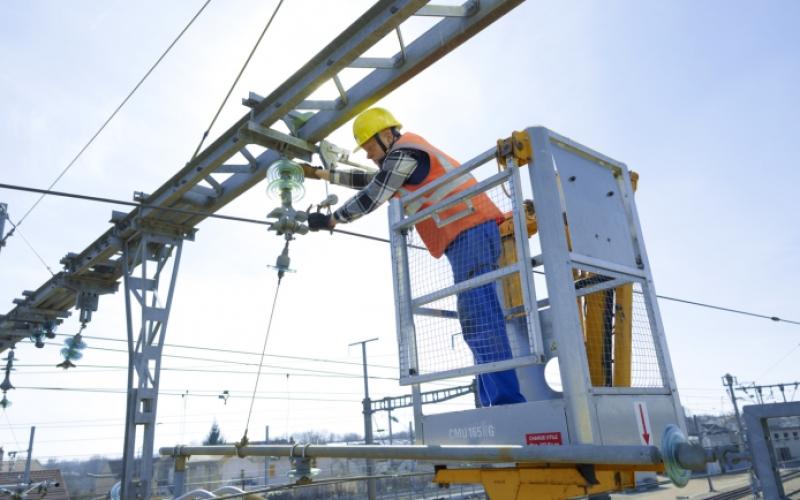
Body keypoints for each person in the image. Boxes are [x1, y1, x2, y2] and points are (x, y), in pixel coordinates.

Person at [304, 108, 525, 407]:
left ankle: (505, 404)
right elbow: (371, 180)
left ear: (386, 135)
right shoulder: (404, 157)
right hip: (466, 233)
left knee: (480, 318)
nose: (369, 155)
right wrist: (323, 174)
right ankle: (495, 401)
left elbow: (374, 193)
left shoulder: (406, 152)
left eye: (369, 148)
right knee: (476, 319)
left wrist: (333, 219)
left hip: (469, 230)